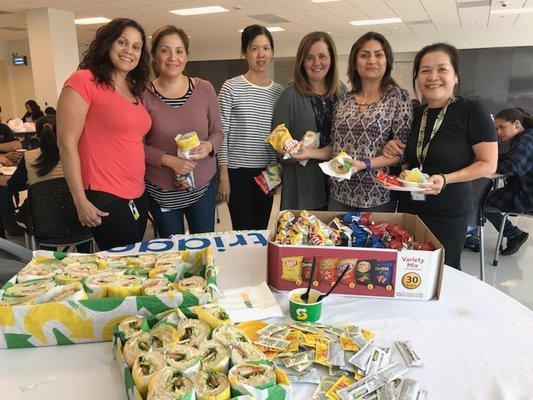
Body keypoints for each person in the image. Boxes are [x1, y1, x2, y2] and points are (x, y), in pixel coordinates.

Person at [384, 43, 498, 269]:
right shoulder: (415, 112)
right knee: (410, 271)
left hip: (448, 210)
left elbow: (488, 164)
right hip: (410, 208)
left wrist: (445, 178)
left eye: (442, 69)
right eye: (425, 70)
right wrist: (392, 147)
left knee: (443, 273)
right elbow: (410, 156)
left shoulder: (471, 111)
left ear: (456, 76)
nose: (432, 77)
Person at [57, 18, 152, 250]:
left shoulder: (133, 88)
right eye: (122, 42)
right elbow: (66, 143)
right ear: (108, 43)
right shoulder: (83, 80)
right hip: (104, 193)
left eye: (136, 46)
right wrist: (80, 200)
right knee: (123, 269)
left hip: (137, 192)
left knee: (131, 265)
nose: (129, 50)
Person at [142, 25, 223, 237]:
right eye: (164, 50)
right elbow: (135, 145)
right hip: (161, 190)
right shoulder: (143, 95)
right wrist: (169, 160)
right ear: (154, 56)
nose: (172, 57)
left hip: (202, 187)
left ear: (186, 56)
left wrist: (208, 146)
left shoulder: (204, 89)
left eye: (179, 51)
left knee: (204, 248)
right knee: (172, 254)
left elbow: (218, 132)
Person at [328, 31, 412, 212]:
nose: (371, 60)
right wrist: (308, 152)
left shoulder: (399, 97)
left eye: (378, 55)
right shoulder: (343, 100)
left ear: (387, 61)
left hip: (376, 195)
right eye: (364, 55)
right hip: (339, 192)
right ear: (355, 63)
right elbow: (332, 146)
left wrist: (363, 164)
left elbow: (400, 153)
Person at [217, 24, 284, 230]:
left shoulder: (279, 92)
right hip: (238, 173)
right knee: (242, 230)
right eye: (254, 49)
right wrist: (224, 176)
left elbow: (277, 135)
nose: (261, 54)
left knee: (262, 230)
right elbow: (222, 134)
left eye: (266, 48)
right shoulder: (231, 87)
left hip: (267, 172)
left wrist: (275, 174)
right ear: (244, 52)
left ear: (272, 52)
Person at [272, 31, 342, 210]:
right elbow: (277, 141)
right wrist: (295, 150)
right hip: (304, 184)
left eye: (322, 56)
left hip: (339, 184)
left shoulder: (342, 91)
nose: (316, 63)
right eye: (310, 57)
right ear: (302, 61)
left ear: (331, 59)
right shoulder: (289, 95)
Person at [464, 108, 531, 255]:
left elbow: (512, 166)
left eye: (502, 127)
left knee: (480, 201)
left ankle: (512, 233)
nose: (499, 132)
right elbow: (506, 158)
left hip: (527, 197)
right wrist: (485, 159)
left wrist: (486, 165)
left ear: (517, 125)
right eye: (496, 128)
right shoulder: (525, 138)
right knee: (482, 201)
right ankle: (512, 233)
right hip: (524, 192)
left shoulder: (526, 140)